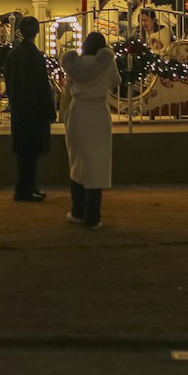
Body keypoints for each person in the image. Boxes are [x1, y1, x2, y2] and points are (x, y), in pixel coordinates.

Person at [61, 30, 120, 228]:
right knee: (97, 163)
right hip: (98, 113)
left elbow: (68, 88)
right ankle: (92, 216)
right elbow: (115, 82)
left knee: (77, 160)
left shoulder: (73, 65)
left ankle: (77, 211)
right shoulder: (108, 64)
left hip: (77, 113)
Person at [2, 15, 55, 202]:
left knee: (23, 152)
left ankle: (26, 186)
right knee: (32, 152)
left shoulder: (13, 55)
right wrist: (50, 110)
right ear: (37, 31)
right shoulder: (36, 56)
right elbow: (42, 85)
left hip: (19, 109)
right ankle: (26, 188)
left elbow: (7, 80)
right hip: (35, 110)